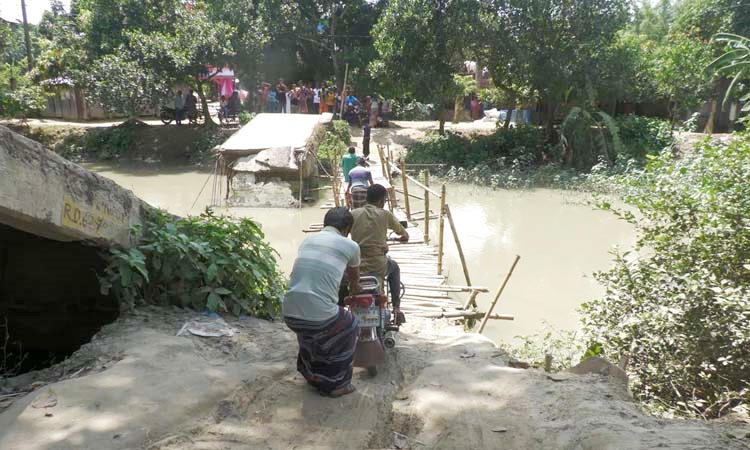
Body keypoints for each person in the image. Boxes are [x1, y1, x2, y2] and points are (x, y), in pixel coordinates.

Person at [283, 207, 361, 398]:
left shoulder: (307, 241)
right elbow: (353, 280)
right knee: (351, 324)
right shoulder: (351, 246)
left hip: (290, 313)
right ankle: (337, 384)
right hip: (317, 317)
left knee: (312, 327)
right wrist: (355, 293)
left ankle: (310, 373)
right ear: (347, 229)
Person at [350, 184, 409, 324]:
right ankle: (396, 308)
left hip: (356, 264)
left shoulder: (353, 214)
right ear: (382, 201)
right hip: (378, 265)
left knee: (342, 281)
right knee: (394, 268)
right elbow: (404, 234)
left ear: (367, 198)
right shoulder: (385, 215)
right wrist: (400, 238)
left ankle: (338, 309)